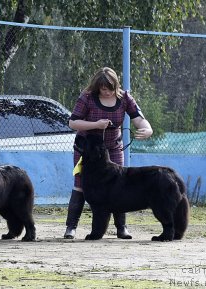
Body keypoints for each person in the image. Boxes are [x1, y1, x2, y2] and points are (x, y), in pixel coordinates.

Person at [64, 67, 153, 239]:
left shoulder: (125, 98)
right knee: (80, 184)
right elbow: (73, 123)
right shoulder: (87, 97)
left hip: (113, 148)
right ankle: (71, 227)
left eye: (109, 88)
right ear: (96, 86)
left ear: (115, 86)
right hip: (87, 151)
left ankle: (122, 227)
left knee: (119, 186)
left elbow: (139, 119)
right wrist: (95, 124)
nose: (105, 92)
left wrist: (147, 129)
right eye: (102, 88)